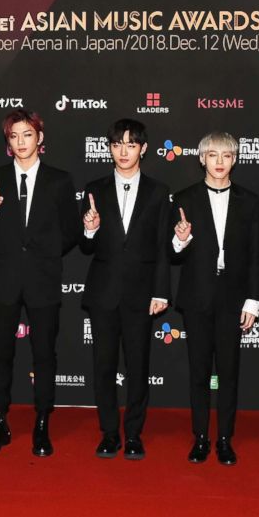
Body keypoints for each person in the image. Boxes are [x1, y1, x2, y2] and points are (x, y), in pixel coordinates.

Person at [0, 108, 79, 457]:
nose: (21, 142)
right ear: (8, 141)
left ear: (40, 138)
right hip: (4, 281)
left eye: (27, 135)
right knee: (0, 355)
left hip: (43, 281)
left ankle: (41, 424)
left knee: (44, 357)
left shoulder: (60, 181)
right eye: (14, 136)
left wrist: (43, 253)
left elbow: (71, 234)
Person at [79, 118, 170, 460]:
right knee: (103, 365)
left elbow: (162, 245)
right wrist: (89, 230)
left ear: (143, 149)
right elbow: (86, 247)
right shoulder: (94, 189)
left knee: (138, 366)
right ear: (109, 148)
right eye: (117, 144)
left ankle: (133, 433)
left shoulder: (159, 191)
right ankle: (108, 433)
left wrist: (161, 292)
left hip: (142, 294)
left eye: (131, 145)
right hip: (103, 292)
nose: (123, 151)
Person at [171, 131, 259, 465]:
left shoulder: (249, 201)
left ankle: (224, 438)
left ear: (235, 159)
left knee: (229, 371)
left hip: (233, 299)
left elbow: (255, 256)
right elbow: (173, 253)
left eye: (226, 155)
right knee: (198, 372)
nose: (220, 162)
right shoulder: (184, 198)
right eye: (213, 155)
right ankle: (200, 438)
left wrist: (253, 301)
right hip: (197, 297)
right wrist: (180, 240)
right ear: (201, 159)